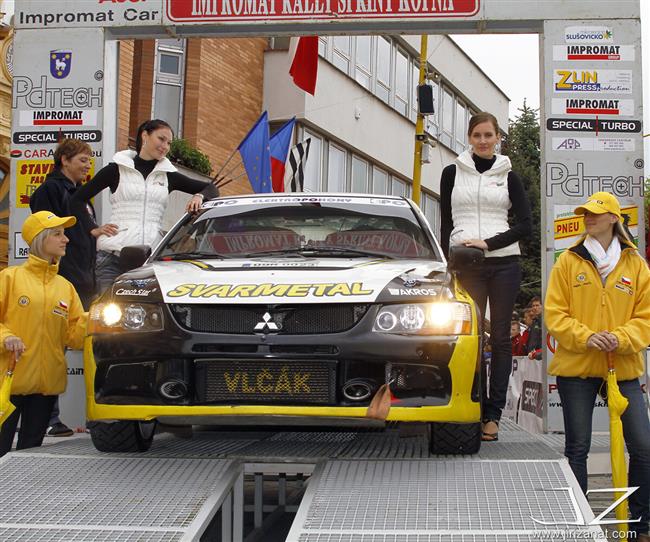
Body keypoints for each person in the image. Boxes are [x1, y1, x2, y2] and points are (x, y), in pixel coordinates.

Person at [545, 192, 650, 541]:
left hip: (623, 367)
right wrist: (587, 336)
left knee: (643, 446)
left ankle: (640, 520)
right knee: (578, 447)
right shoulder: (568, 261)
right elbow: (555, 314)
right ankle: (579, 519)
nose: (588, 217)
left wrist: (621, 338)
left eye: (595, 213)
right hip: (577, 367)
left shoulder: (636, 264)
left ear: (614, 219)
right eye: (585, 213)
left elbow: (645, 318)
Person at [440, 111, 532, 442]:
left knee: (501, 340)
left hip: (504, 262)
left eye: (488, 135)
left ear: (497, 138)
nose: (483, 141)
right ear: (469, 137)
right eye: (477, 135)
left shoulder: (509, 176)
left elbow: (525, 225)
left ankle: (493, 416)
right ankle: (471, 407)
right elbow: (446, 223)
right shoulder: (451, 172)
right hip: (466, 264)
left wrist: (489, 243)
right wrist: (445, 261)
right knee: (470, 338)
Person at [70, 119, 219, 292]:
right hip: (112, 256)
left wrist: (199, 196)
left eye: (169, 143)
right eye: (161, 139)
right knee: (108, 314)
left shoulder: (169, 175)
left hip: (150, 260)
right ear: (145, 135)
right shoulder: (115, 170)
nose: (165, 146)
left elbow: (212, 188)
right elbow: (76, 200)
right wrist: (93, 229)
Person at [29, 138, 112, 437]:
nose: (87, 164)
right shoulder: (49, 191)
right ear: (64, 160)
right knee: (53, 346)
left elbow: (82, 237)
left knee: (88, 344)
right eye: (82, 159)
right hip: (61, 279)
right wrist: (52, 273)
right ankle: (50, 418)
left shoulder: (82, 197)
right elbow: (44, 236)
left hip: (85, 279)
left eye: (89, 160)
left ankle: (94, 414)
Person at [0, 212, 87, 457]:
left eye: (64, 234)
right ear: (41, 238)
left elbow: (74, 336)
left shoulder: (65, 287)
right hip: (9, 383)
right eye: (58, 234)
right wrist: (6, 337)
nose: (65, 240)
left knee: (31, 455)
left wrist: (96, 318)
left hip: (46, 386)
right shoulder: (10, 278)